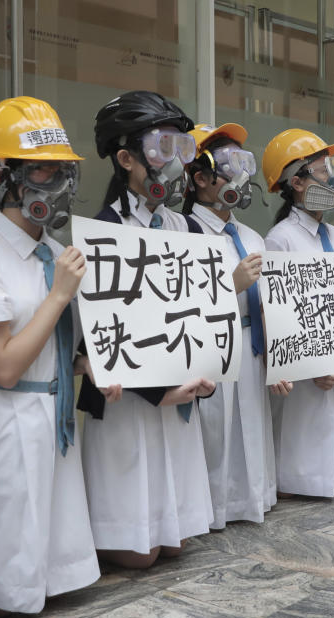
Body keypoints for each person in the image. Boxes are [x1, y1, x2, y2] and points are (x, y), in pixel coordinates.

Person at [0, 97, 104, 614]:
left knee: (52, 565)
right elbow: (3, 365)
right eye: (44, 170)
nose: (60, 184)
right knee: (5, 575)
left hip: (54, 414)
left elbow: (55, 346)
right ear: (6, 177)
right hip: (8, 418)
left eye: (64, 171)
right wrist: (60, 295)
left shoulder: (54, 249)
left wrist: (91, 365)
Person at [79, 90, 215, 568]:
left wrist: (204, 376)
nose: (176, 161)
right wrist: (159, 390)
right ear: (125, 159)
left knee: (175, 544)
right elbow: (95, 338)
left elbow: (204, 315)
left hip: (181, 397)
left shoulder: (188, 230)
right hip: (129, 403)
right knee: (139, 552)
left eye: (184, 147)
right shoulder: (100, 232)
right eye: (162, 147)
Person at [262, 129, 334, 493]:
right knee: (306, 432)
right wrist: (311, 368)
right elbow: (278, 312)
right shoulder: (280, 238)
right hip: (305, 370)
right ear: (296, 182)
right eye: (324, 169)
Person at [182, 122, 284, 526]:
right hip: (208, 345)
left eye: (244, 162)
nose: (240, 175)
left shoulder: (251, 236)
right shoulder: (184, 232)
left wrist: (282, 359)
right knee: (215, 432)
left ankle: (250, 498)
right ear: (200, 176)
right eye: (228, 164)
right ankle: (210, 509)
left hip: (249, 345)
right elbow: (179, 304)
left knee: (250, 427)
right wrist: (230, 285)